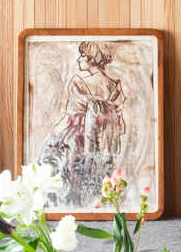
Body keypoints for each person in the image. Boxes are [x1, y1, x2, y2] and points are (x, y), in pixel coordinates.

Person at [40, 40, 128, 206]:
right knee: (99, 173)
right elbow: (118, 116)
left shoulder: (78, 81)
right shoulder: (113, 84)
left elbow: (70, 115)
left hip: (79, 135)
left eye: (82, 56)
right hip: (105, 136)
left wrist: (56, 130)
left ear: (92, 58)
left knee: (60, 162)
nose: (78, 59)